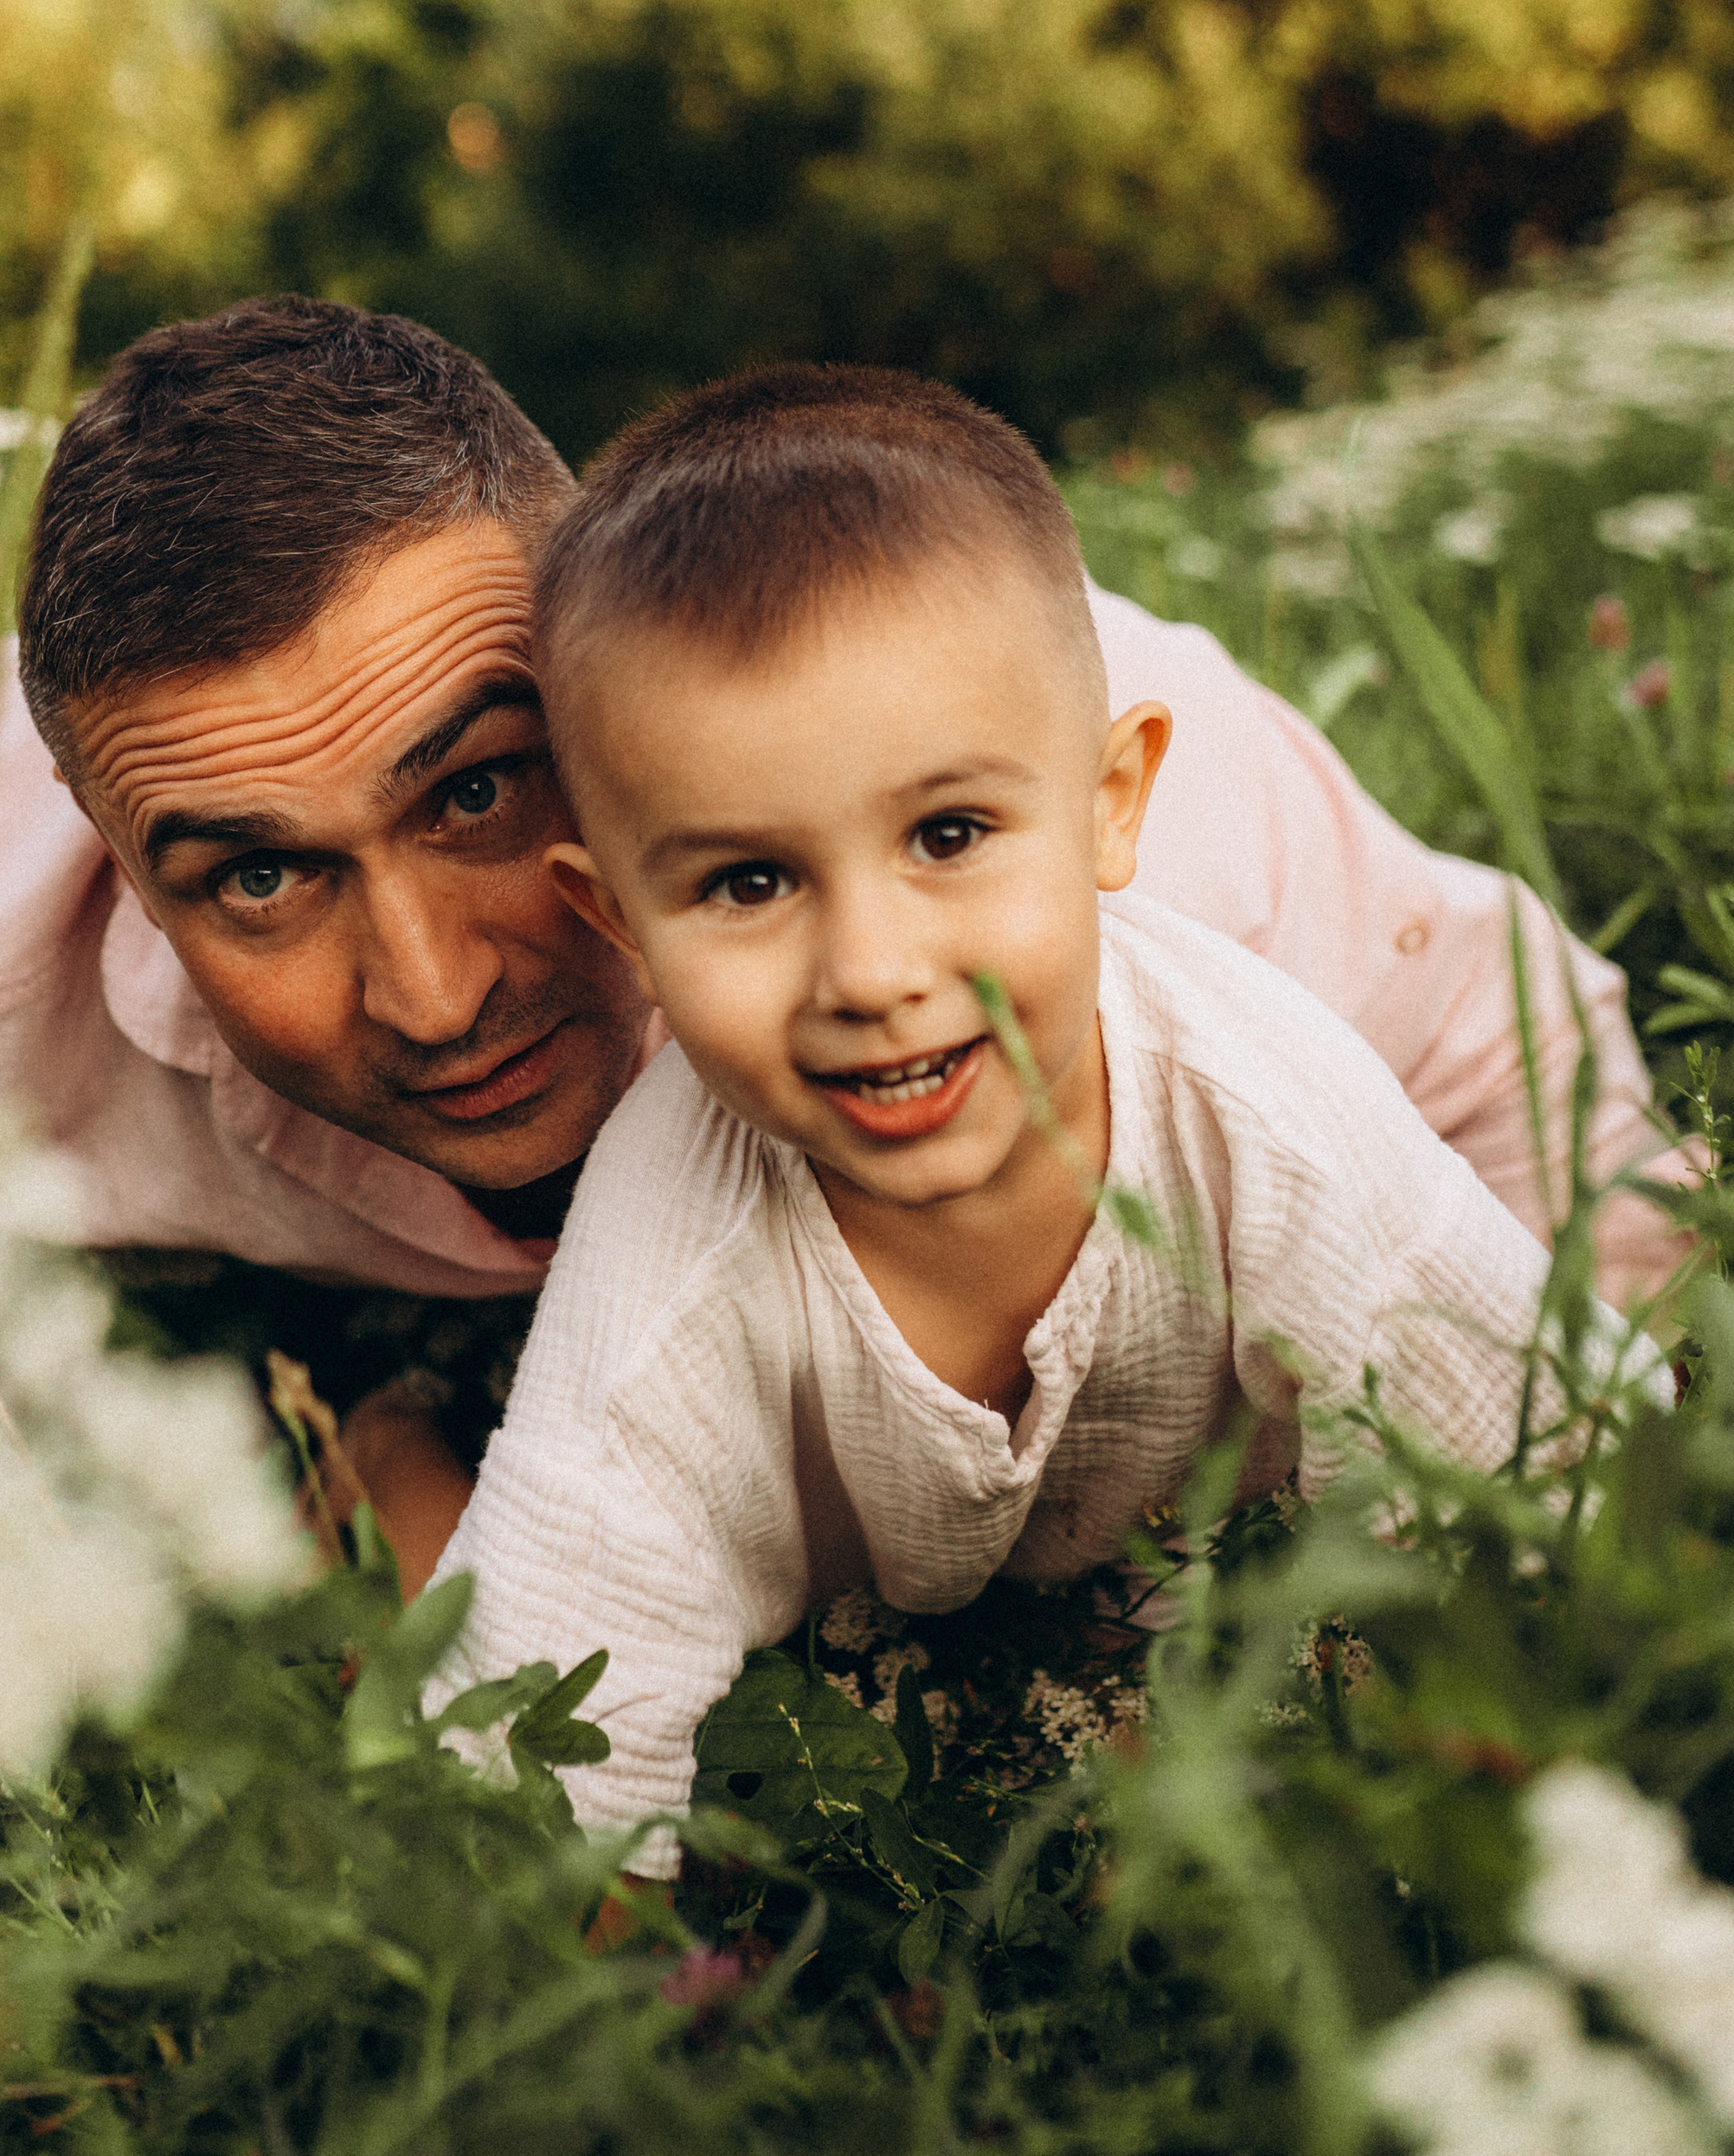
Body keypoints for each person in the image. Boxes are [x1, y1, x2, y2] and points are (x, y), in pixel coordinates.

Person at [0, 300, 1680, 1574]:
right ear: (101, 847)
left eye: (480, 786)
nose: (437, 992)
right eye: (254, 876)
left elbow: (1516, 1055)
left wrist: (1569, 1534)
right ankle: (384, 1414)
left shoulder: (1025, 823)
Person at [427, 369, 1647, 1839]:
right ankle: (390, 1430)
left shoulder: (1259, 1101)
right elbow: (535, 1780)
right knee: (492, 1530)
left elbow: (1553, 1473)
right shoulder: (667, 1245)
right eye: (748, 882)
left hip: (1239, 1475)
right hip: (866, 1589)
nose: (874, 972)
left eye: (949, 834)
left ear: (1109, 803)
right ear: (617, 920)